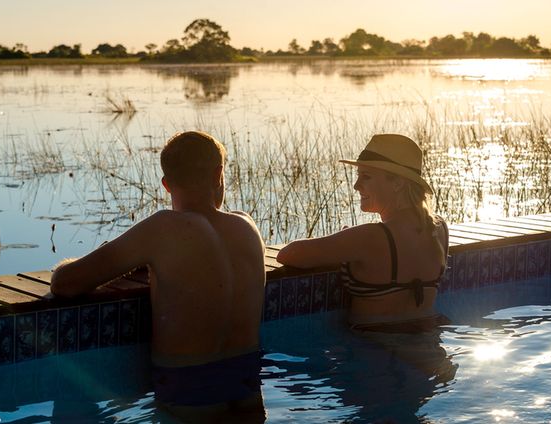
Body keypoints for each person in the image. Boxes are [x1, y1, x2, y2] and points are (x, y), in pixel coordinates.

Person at [50, 131, 266, 422]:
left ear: (166, 184)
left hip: (189, 393)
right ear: (219, 173)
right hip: (248, 386)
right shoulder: (247, 228)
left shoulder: (162, 229)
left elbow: (65, 284)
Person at [277, 134, 449, 332]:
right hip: (430, 336)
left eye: (366, 176)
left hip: (376, 351)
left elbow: (288, 254)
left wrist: (345, 245)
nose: (356, 185)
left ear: (398, 184)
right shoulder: (439, 229)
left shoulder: (370, 238)